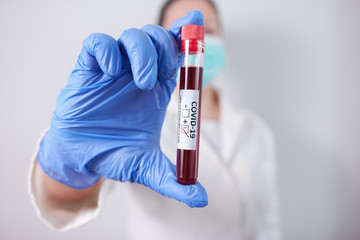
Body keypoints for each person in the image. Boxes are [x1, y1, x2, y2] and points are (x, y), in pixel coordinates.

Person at [28, 0, 281, 239]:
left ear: (222, 38)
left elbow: (269, 224)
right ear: (164, 41)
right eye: (181, 33)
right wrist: (66, 163)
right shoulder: (131, 119)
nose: (198, 36)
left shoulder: (255, 129)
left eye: (209, 30)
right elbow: (64, 203)